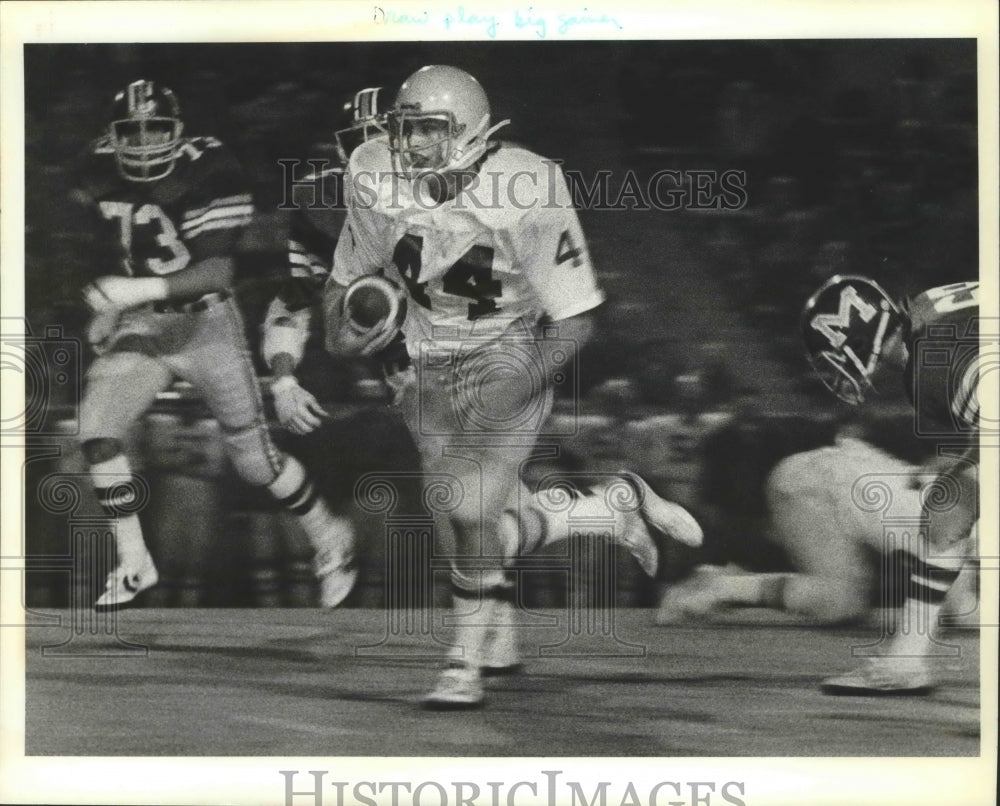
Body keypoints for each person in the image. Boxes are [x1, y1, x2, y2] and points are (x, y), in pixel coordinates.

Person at [322, 65, 702, 709]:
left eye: (429, 131)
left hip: (504, 350)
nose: (410, 146)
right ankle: (609, 509)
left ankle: (463, 664)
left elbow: (576, 320)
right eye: (403, 129)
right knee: (464, 525)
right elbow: (344, 282)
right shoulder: (370, 168)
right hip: (424, 359)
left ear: (473, 132)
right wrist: (341, 331)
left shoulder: (527, 184)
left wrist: (515, 384)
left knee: (468, 507)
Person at [72, 79, 356, 610]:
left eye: (155, 129)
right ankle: (135, 562)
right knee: (96, 432)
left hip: (206, 325)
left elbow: (217, 272)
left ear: (178, 133)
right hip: (146, 324)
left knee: (254, 461)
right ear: (112, 136)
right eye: (130, 132)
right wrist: (112, 304)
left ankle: (327, 534)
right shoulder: (94, 170)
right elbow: (112, 246)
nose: (142, 143)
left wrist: (127, 291)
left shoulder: (210, 167)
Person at [799, 274, 981, 694]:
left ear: (857, 341)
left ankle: (904, 664)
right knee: (952, 502)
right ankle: (904, 661)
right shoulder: (928, 305)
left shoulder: (931, 364)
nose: (835, 367)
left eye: (835, 353)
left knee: (951, 505)